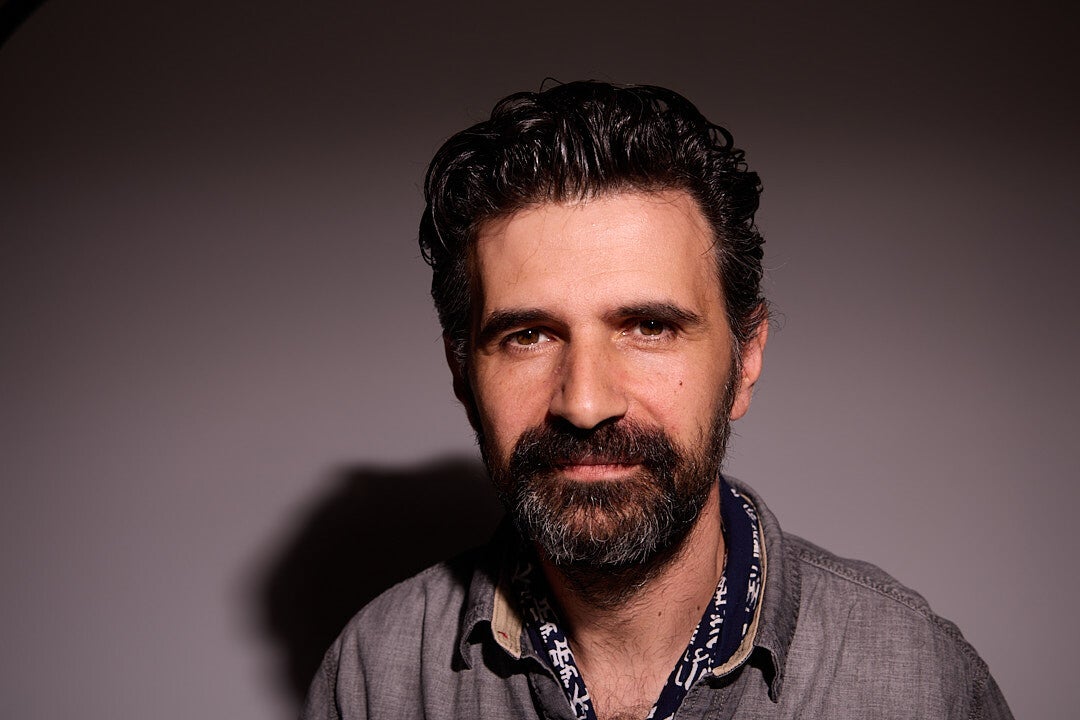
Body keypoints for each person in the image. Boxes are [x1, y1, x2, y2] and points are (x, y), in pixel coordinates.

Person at [300, 81, 1012, 720]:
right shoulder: (373, 677)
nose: (585, 404)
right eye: (528, 336)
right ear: (462, 372)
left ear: (745, 358)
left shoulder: (922, 682)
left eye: (649, 327)